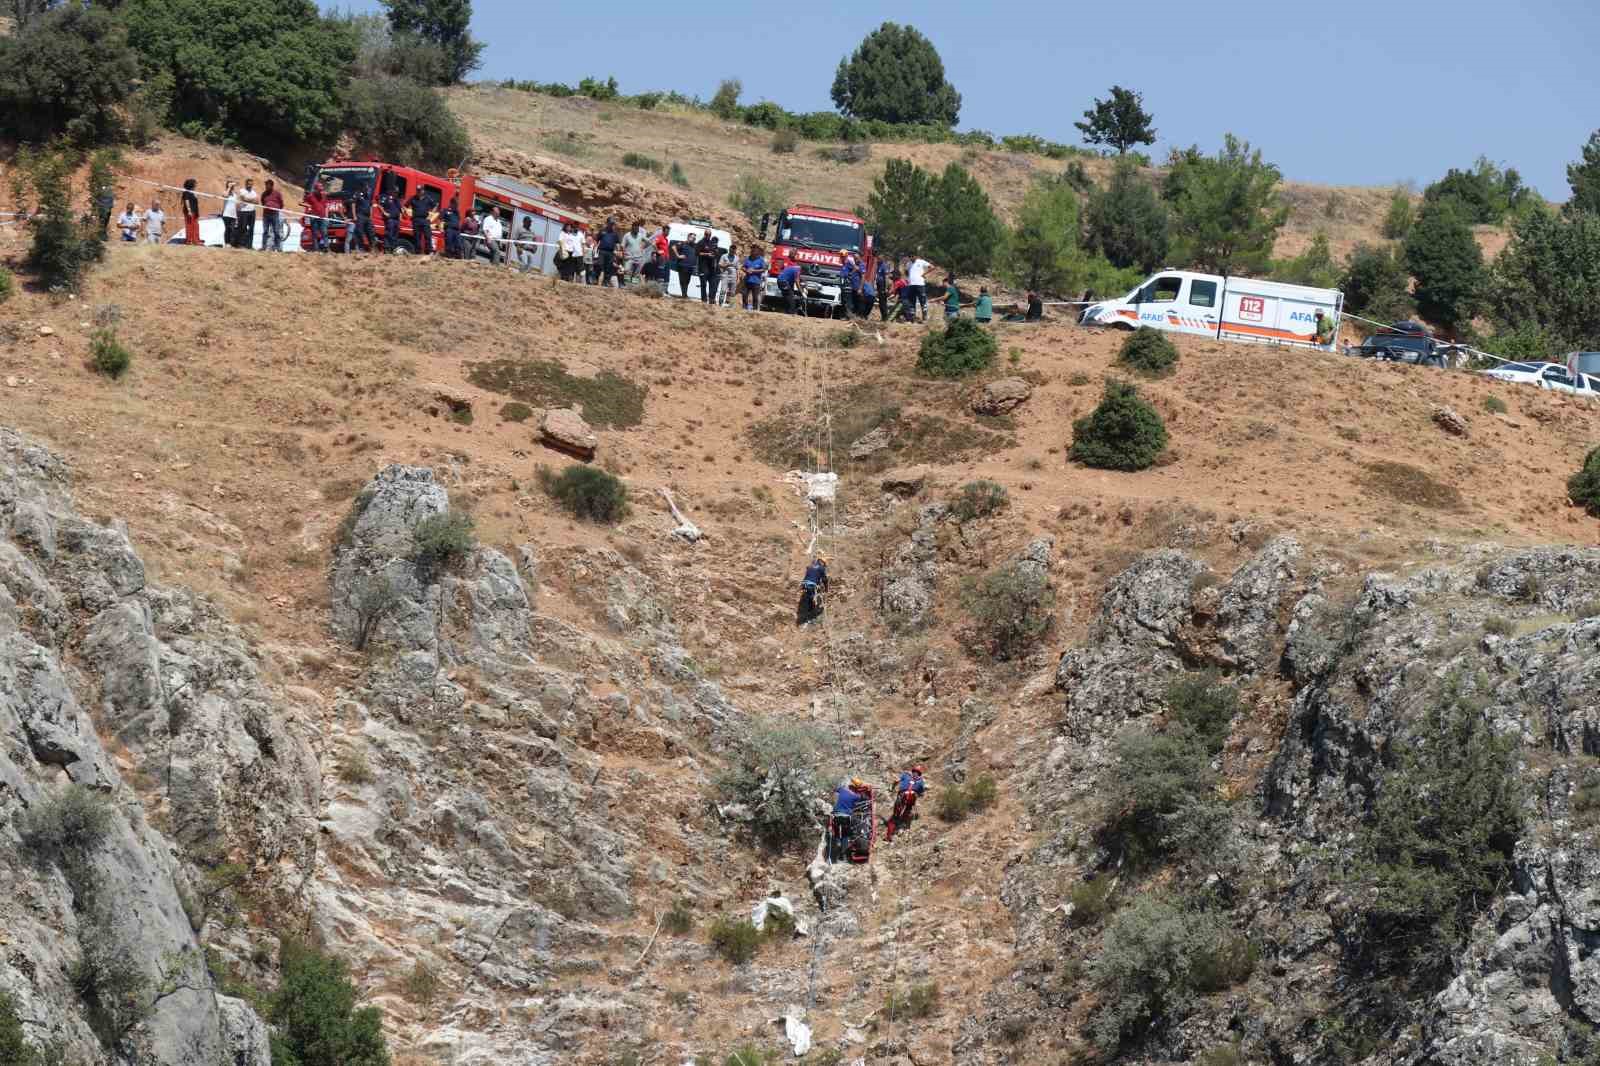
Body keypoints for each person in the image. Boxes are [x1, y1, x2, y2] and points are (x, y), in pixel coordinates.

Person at [885, 766, 926, 842]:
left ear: (913, 770)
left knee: (895, 816)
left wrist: (891, 788)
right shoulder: (921, 781)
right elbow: (921, 793)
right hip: (910, 799)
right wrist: (916, 792)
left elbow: (896, 781)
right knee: (908, 808)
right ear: (919, 773)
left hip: (902, 796)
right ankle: (902, 820)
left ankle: (889, 836)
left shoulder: (906, 775)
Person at [828, 779, 861, 863]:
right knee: (845, 837)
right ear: (855, 788)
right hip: (846, 817)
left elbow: (836, 789)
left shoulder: (842, 790)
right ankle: (843, 856)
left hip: (836, 816)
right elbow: (862, 797)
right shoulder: (855, 796)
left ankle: (835, 856)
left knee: (837, 835)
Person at [797, 554, 828, 625]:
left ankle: (805, 615)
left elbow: (810, 575)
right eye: (824, 564)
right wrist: (826, 589)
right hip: (811, 585)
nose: (824, 566)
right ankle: (809, 619)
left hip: (804, 584)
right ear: (822, 562)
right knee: (811, 601)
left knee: (808, 598)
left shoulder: (811, 566)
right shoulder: (821, 568)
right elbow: (825, 580)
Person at [303, 181, 327, 252]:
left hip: (322, 217)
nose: (321, 191)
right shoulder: (310, 196)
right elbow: (302, 203)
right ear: (315, 189)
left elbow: (325, 206)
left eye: (321, 190)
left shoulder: (323, 196)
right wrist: (310, 207)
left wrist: (326, 216)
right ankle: (316, 249)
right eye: (319, 190)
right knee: (315, 233)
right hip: (314, 217)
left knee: (324, 232)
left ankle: (325, 247)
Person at [596, 217, 621, 287]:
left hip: (610, 252)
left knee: (608, 268)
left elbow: (617, 243)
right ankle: (599, 283)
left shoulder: (615, 233)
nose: (612, 225)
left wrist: (618, 251)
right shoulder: (602, 231)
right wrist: (595, 249)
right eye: (610, 223)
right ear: (607, 223)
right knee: (601, 266)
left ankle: (605, 283)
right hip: (602, 251)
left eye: (613, 224)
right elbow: (597, 240)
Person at [260, 180, 284, 251]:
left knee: (276, 231)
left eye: (268, 185)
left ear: (272, 186)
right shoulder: (264, 194)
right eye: (266, 185)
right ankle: (264, 247)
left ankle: (278, 248)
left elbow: (281, 204)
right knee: (265, 231)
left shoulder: (277, 194)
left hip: (275, 215)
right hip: (266, 215)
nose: (267, 187)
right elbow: (263, 202)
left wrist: (276, 208)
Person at [407, 189, 432, 255]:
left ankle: (428, 251)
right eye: (417, 190)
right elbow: (405, 206)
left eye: (420, 190)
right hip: (416, 220)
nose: (418, 192)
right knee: (417, 237)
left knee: (428, 236)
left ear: (423, 191)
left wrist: (431, 215)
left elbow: (435, 205)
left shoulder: (428, 198)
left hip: (425, 220)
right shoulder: (413, 198)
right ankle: (418, 252)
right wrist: (408, 214)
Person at [741, 245, 767, 312]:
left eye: (755, 250)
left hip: (756, 281)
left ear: (757, 251)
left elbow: (764, 269)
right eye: (752, 250)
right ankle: (744, 308)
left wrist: (754, 271)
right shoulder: (748, 258)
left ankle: (754, 310)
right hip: (747, 280)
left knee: (755, 297)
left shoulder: (761, 259)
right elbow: (743, 267)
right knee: (744, 295)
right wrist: (746, 270)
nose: (753, 251)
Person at [697, 232, 720, 304]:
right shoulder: (700, 242)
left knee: (713, 284)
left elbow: (715, 256)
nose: (708, 236)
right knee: (703, 284)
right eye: (707, 234)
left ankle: (711, 299)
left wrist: (715, 252)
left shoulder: (712, 245)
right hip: (703, 267)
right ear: (704, 234)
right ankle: (704, 300)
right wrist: (707, 254)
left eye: (709, 235)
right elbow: (697, 253)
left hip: (712, 268)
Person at [906, 253, 930, 321]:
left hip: (920, 284)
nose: (911, 257)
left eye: (912, 256)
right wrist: (909, 278)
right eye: (909, 256)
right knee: (911, 301)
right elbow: (907, 271)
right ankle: (912, 317)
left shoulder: (921, 261)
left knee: (922, 300)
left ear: (916, 256)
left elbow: (932, 267)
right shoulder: (908, 264)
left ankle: (924, 317)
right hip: (911, 284)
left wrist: (924, 274)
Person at [236, 178, 259, 248]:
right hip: (243, 211)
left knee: (251, 228)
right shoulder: (242, 191)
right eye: (249, 184)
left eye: (251, 184)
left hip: (252, 211)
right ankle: (241, 244)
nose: (250, 185)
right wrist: (252, 200)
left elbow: (257, 202)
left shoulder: (254, 192)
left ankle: (249, 245)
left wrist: (248, 200)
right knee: (242, 228)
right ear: (246, 184)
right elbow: (244, 199)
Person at [673, 232, 697, 298]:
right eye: (692, 238)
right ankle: (684, 294)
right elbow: (674, 247)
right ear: (688, 237)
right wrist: (678, 256)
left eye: (694, 238)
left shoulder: (694, 246)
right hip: (682, 265)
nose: (694, 239)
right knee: (683, 280)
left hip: (690, 266)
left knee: (687, 281)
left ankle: (685, 294)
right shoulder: (683, 243)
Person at [380, 188, 401, 253]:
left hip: (396, 220)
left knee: (395, 235)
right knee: (389, 233)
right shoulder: (387, 197)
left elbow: (400, 210)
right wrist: (384, 213)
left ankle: (393, 248)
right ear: (392, 191)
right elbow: (380, 205)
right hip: (390, 219)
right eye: (395, 192)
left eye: (397, 192)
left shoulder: (397, 200)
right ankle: (386, 248)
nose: (396, 193)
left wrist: (400, 219)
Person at [220, 181, 238, 248]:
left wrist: (236, 215)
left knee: (232, 229)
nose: (232, 186)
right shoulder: (225, 192)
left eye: (232, 185)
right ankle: (227, 242)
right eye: (230, 185)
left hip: (233, 214)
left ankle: (231, 243)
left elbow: (235, 205)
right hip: (226, 214)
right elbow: (225, 196)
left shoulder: (235, 194)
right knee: (227, 228)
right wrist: (229, 188)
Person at [875, 256, 891, 321]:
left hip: (883, 286)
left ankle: (885, 317)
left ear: (882, 259)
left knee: (883, 302)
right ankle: (883, 317)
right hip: (879, 286)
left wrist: (886, 288)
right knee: (880, 302)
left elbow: (886, 277)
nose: (877, 260)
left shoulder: (884, 266)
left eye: (878, 259)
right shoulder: (878, 266)